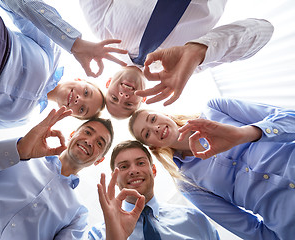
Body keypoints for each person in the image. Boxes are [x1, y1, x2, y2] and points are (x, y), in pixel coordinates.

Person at [0, 0, 127, 129]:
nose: (79, 100)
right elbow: (19, 4)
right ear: (80, 80)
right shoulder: (52, 51)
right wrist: (75, 43)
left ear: (72, 115)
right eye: (86, 93)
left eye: (82, 109)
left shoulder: (21, 120)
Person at [0, 106, 114, 239]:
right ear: (73, 134)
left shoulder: (78, 214)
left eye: (100, 143)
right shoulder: (18, 155)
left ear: (99, 160)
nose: (90, 141)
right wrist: (18, 151)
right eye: (88, 132)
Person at [128, 97, 295, 240]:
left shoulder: (214, 109)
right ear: (152, 147)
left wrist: (244, 134)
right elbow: (249, 230)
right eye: (147, 134)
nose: (155, 128)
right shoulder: (187, 184)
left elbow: (290, 118)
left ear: (165, 114)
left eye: (153, 119)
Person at [79, 0, 274, 118]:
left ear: (108, 82)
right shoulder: (185, 67)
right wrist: (199, 50)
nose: (123, 96)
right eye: (129, 104)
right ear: (144, 98)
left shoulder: (101, 28)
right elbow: (264, 31)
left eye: (113, 98)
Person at [89, 140, 220, 240]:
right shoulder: (99, 234)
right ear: (114, 179)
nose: (133, 171)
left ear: (154, 170)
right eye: (124, 166)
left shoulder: (194, 220)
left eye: (140, 163)